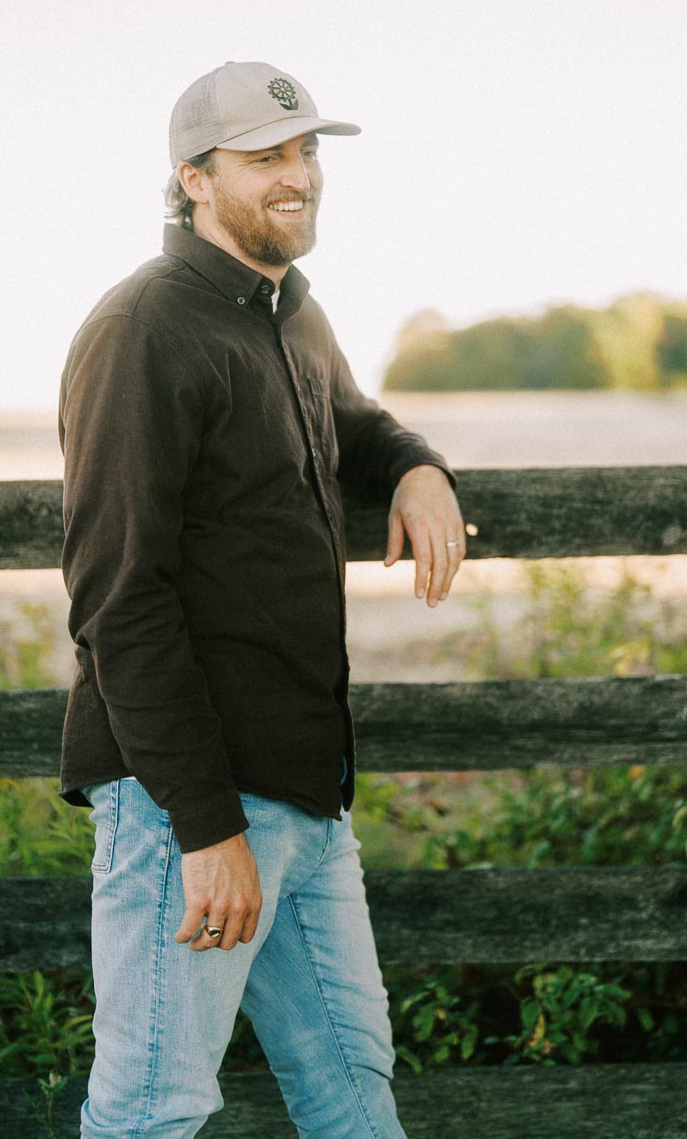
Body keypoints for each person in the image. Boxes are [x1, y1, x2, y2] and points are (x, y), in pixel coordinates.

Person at [57, 60, 466, 1137]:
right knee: (152, 1108)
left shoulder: (290, 312)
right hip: (185, 806)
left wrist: (418, 467)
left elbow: (358, 425)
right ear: (194, 178)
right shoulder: (145, 329)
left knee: (352, 1092)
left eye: (307, 151)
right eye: (267, 158)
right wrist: (207, 827)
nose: (301, 176)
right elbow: (119, 599)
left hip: (307, 800)